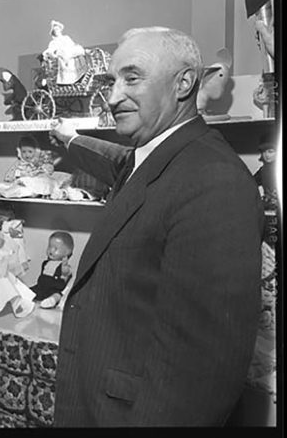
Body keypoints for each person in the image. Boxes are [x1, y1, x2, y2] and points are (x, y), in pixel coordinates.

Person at [48, 27, 263, 426]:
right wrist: (70, 140)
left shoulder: (214, 180)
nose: (113, 96)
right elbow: (118, 161)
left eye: (132, 77)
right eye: (112, 81)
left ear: (184, 83)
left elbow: (202, 375)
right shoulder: (157, 158)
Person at [29, 231, 74, 309]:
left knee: (57, 295)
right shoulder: (46, 263)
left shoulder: (63, 266)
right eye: (49, 247)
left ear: (67, 252)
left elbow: (66, 273)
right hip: (41, 287)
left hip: (53, 290)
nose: (51, 250)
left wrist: (65, 269)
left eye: (55, 249)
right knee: (29, 291)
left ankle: (51, 301)